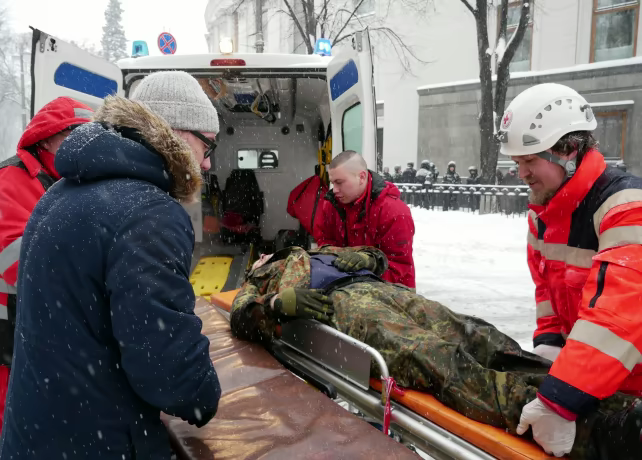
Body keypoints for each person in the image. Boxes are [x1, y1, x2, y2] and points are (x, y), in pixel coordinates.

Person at [230, 245, 642, 460]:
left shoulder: (321, 250)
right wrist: (274, 304)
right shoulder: (262, 279)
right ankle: (596, 433)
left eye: (266, 254)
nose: (264, 255)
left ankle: (591, 398)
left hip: (389, 292)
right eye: (260, 257)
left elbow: (377, 257)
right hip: (344, 306)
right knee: (436, 359)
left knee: (481, 337)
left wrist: (366, 256)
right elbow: (241, 318)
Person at [0, 72, 222, 460]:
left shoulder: (60, 194)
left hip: (40, 432)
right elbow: (164, 365)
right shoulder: (149, 213)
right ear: (176, 132)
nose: (206, 162)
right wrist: (205, 395)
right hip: (99, 441)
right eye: (207, 144)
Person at [498, 82, 642, 457]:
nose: (521, 173)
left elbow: (621, 314)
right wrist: (550, 340)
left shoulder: (627, 207)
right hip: (592, 384)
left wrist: (562, 399)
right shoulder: (543, 213)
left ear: (568, 151)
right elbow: (547, 288)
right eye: (517, 163)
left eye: (530, 161)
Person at [0, 97, 93, 460]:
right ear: (47, 139)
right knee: (15, 439)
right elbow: (22, 265)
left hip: (20, 336)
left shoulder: (61, 180)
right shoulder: (11, 180)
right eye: (73, 135)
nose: (83, 145)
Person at [315, 151, 415, 288]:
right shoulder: (331, 205)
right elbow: (325, 245)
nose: (335, 190)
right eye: (332, 183)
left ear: (361, 177)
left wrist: (369, 264)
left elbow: (399, 267)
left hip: (391, 293)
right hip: (343, 288)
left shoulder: (394, 213)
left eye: (339, 182)